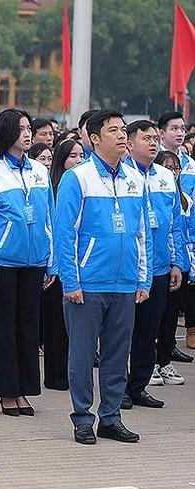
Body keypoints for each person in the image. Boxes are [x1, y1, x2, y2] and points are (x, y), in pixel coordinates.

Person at [54, 109, 151, 445]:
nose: (122, 135)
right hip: (88, 282)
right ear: (94, 139)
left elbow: (142, 232)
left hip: (124, 282)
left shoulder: (135, 178)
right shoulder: (77, 178)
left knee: (116, 354)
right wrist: (71, 281)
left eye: (124, 130)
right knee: (81, 355)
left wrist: (144, 278)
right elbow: (65, 234)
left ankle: (111, 417)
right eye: (114, 130)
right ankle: (83, 417)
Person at [0, 109, 55, 417]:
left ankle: (25, 390)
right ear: (8, 132)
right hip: (5, 261)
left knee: (28, 325)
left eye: (29, 128)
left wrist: (51, 261)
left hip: (36, 259)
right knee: (5, 327)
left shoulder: (39, 171)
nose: (28, 134)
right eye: (22, 129)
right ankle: (7, 392)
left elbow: (49, 217)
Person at [122, 122, 186, 403]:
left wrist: (177, 263)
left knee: (149, 330)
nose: (152, 143)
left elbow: (174, 224)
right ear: (130, 142)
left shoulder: (165, 176)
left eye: (154, 138)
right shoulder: (123, 175)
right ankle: (119, 389)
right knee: (124, 333)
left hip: (159, 267)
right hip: (129, 267)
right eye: (145, 138)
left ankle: (139, 386)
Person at [42, 138, 84, 391]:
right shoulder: (54, 187)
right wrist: (53, 264)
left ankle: (71, 372)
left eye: (81, 156)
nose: (78, 161)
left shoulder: (84, 185)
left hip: (80, 264)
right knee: (55, 323)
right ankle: (55, 374)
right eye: (72, 156)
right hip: (56, 264)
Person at [155, 151, 195, 363]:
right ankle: (153, 361)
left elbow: (182, 232)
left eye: (175, 168)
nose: (172, 172)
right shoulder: (152, 191)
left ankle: (166, 358)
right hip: (159, 264)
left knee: (170, 317)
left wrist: (181, 262)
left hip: (182, 262)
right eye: (167, 167)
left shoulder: (185, 198)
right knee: (155, 319)